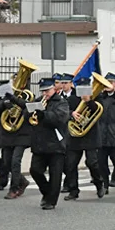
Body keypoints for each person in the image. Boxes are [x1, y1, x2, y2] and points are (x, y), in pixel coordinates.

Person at [28, 78, 69, 210]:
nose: (45, 93)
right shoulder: (38, 101)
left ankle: (51, 201)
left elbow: (60, 119)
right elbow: (26, 117)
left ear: (54, 89)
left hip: (56, 144)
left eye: (47, 90)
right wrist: (28, 111)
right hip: (39, 143)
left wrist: (44, 114)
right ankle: (46, 192)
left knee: (55, 175)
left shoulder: (61, 102)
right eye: (43, 91)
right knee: (35, 171)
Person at [64, 76, 107, 200]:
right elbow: (64, 110)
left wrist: (89, 101)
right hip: (75, 136)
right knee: (71, 164)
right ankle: (73, 190)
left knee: (92, 163)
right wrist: (72, 113)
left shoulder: (98, 98)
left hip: (90, 136)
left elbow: (99, 112)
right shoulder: (72, 98)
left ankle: (99, 184)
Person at [0, 84, 33, 200]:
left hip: (22, 135)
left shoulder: (28, 96)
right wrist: (4, 104)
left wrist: (14, 99)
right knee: (6, 163)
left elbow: (29, 107)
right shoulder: (7, 97)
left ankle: (14, 188)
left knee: (15, 161)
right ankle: (22, 181)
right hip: (8, 134)